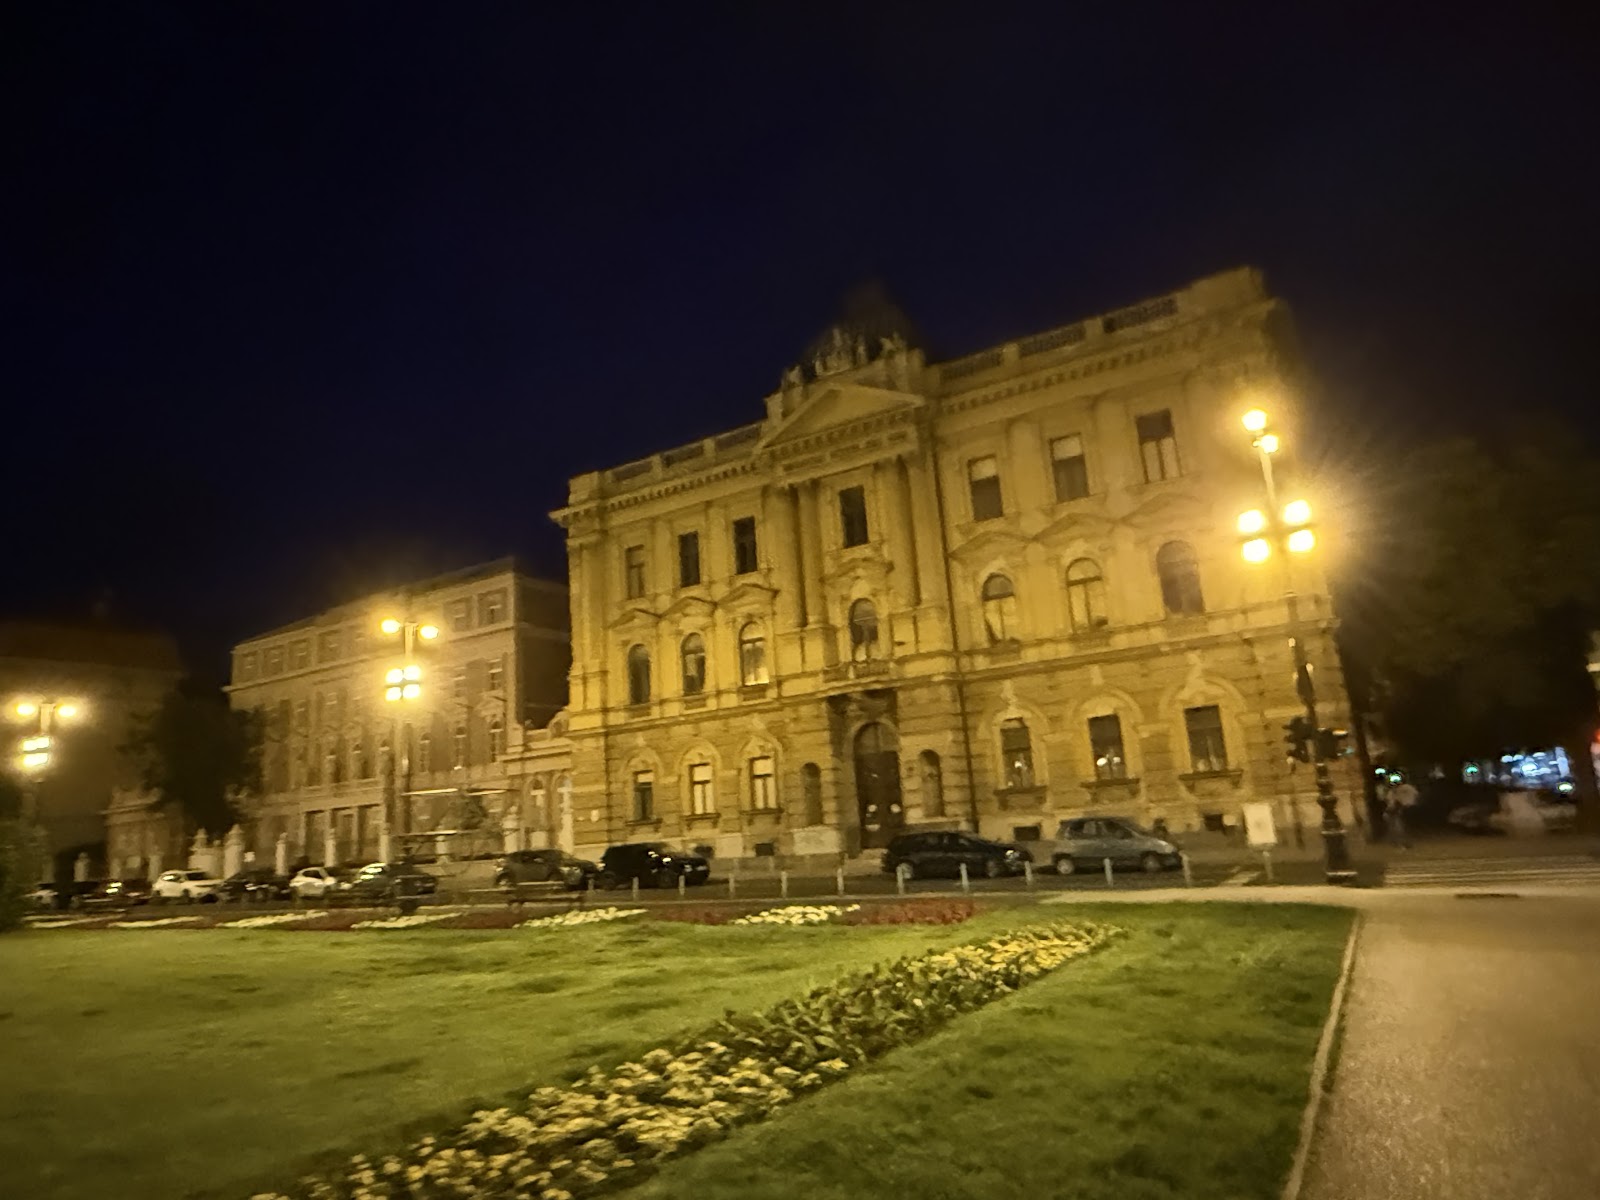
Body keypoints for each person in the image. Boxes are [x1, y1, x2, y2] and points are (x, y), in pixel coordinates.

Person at [1387, 778, 1419, 848]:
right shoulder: (1409, 787)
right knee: (1405, 826)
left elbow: (1395, 802)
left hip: (1402, 808)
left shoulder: (1394, 791)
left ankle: (1403, 842)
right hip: (1409, 807)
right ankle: (1406, 842)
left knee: (1401, 826)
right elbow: (1416, 795)